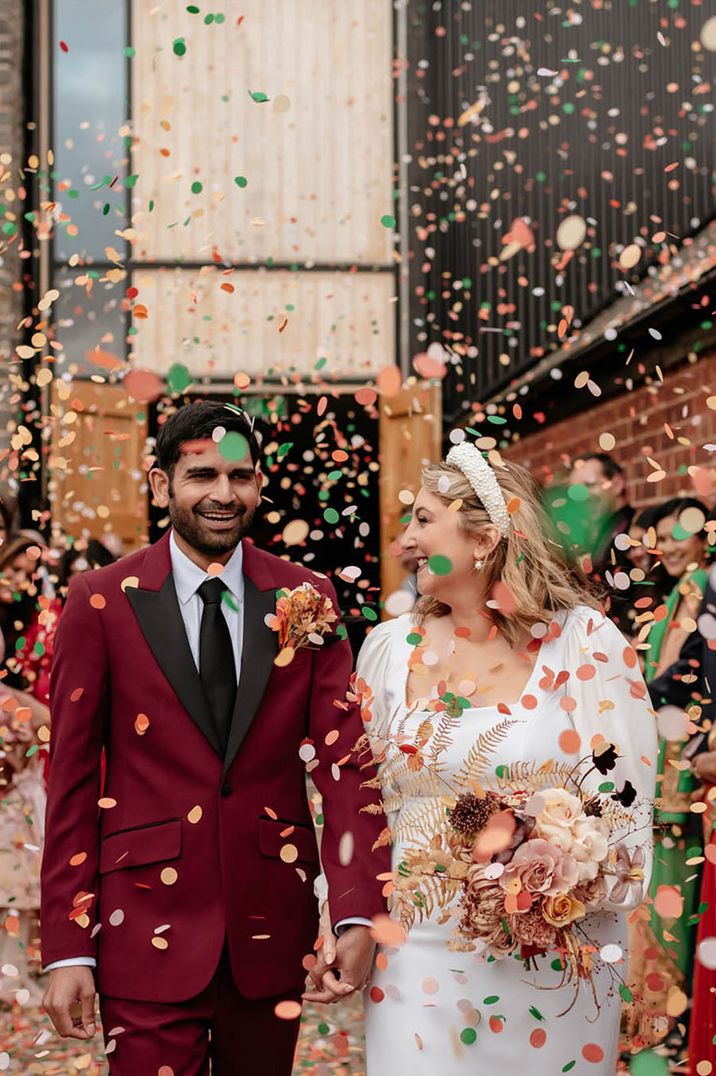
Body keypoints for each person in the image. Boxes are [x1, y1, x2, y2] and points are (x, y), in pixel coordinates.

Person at [40, 401, 390, 1074]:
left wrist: (357, 912)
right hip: (140, 925)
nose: (224, 495)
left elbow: (347, 768)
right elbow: (73, 785)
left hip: (270, 926)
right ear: (160, 483)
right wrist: (68, 946)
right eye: (202, 475)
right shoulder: (99, 603)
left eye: (242, 476)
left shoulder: (305, 597)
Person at [308, 441, 657, 1075]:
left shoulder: (585, 645)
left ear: (483, 538)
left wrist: (557, 871)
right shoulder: (389, 649)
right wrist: (345, 910)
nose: (404, 540)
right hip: (415, 952)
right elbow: (361, 804)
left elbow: (626, 810)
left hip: (553, 956)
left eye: (423, 519)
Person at [625, 496, 709, 1054]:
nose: (670, 547)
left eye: (680, 535)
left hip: (691, 769)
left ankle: (676, 1017)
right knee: (661, 891)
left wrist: (637, 696)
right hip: (665, 765)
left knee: (679, 891)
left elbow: (692, 670)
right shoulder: (674, 596)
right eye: (663, 538)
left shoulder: (703, 592)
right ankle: (664, 1017)